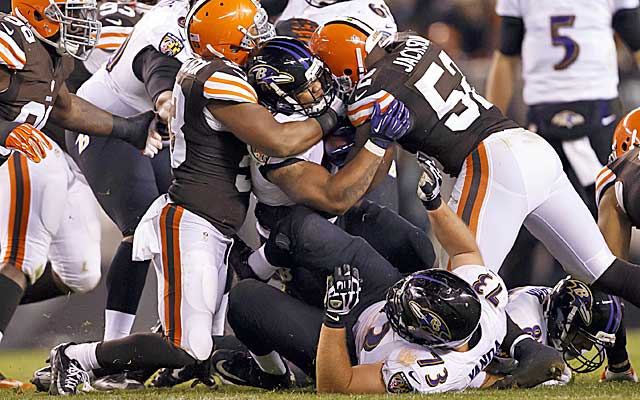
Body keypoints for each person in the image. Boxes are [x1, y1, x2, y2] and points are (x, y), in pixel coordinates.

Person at [45, 0, 402, 395]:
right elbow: (278, 139)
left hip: (216, 225)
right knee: (190, 347)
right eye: (250, 33)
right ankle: (78, 356)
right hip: (192, 221)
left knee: (202, 340)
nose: (261, 37)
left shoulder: (220, 72)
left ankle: (261, 372)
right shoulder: (215, 78)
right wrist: (331, 115)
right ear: (223, 43)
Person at [309, 18, 640, 314]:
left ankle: (517, 356)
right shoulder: (414, 44)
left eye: (326, 69)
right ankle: (612, 366)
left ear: (345, 66)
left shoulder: (371, 96)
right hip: (528, 145)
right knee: (603, 269)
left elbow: (365, 174)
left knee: (455, 295)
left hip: (492, 163)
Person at [214, 154, 552, 394]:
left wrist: (335, 318)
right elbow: (465, 252)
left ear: (422, 338)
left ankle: (272, 375)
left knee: (245, 301)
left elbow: (336, 386)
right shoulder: (485, 307)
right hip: (379, 290)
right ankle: (274, 263)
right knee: (309, 230)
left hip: (347, 341)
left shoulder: (429, 370)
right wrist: (435, 204)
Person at [0, 0, 161, 390]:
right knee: (23, 253)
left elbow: (67, 109)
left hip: (22, 155)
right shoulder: (11, 40)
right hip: (18, 154)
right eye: (71, 10)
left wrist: (128, 129)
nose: (83, 20)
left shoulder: (54, 56)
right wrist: (3, 131)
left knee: (82, 271)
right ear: (37, 10)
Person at [234, 36, 434, 294]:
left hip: (336, 214)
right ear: (277, 93)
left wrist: (382, 139)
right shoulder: (275, 135)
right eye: (307, 86)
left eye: (318, 77)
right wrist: (375, 141)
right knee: (379, 282)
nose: (319, 88)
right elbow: (334, 198)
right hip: (299, 233)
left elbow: (362, 187)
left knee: (416, 248)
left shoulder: (318, 105)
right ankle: (266, 266)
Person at [65, 0, 188, 354]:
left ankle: (178, 338)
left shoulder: (183, 19)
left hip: (150, 124)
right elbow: (158, 71)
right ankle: (111, 352)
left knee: (188, 221)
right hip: (102, 122)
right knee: (142, 225)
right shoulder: (165, 27)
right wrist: (167, 104)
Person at [486, 0, 640, 214]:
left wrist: (488, 128)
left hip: (588, 115)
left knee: (613, 212)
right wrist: (489, 130)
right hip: (553, 119)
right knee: (525, 217)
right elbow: (505, 56)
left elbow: (505, 58)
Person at [506, 278, 633, 383]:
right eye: (583, 338)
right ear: (561, 321)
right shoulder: (525, 322)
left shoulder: (557, 311)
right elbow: (497, 366)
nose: (587, 347)